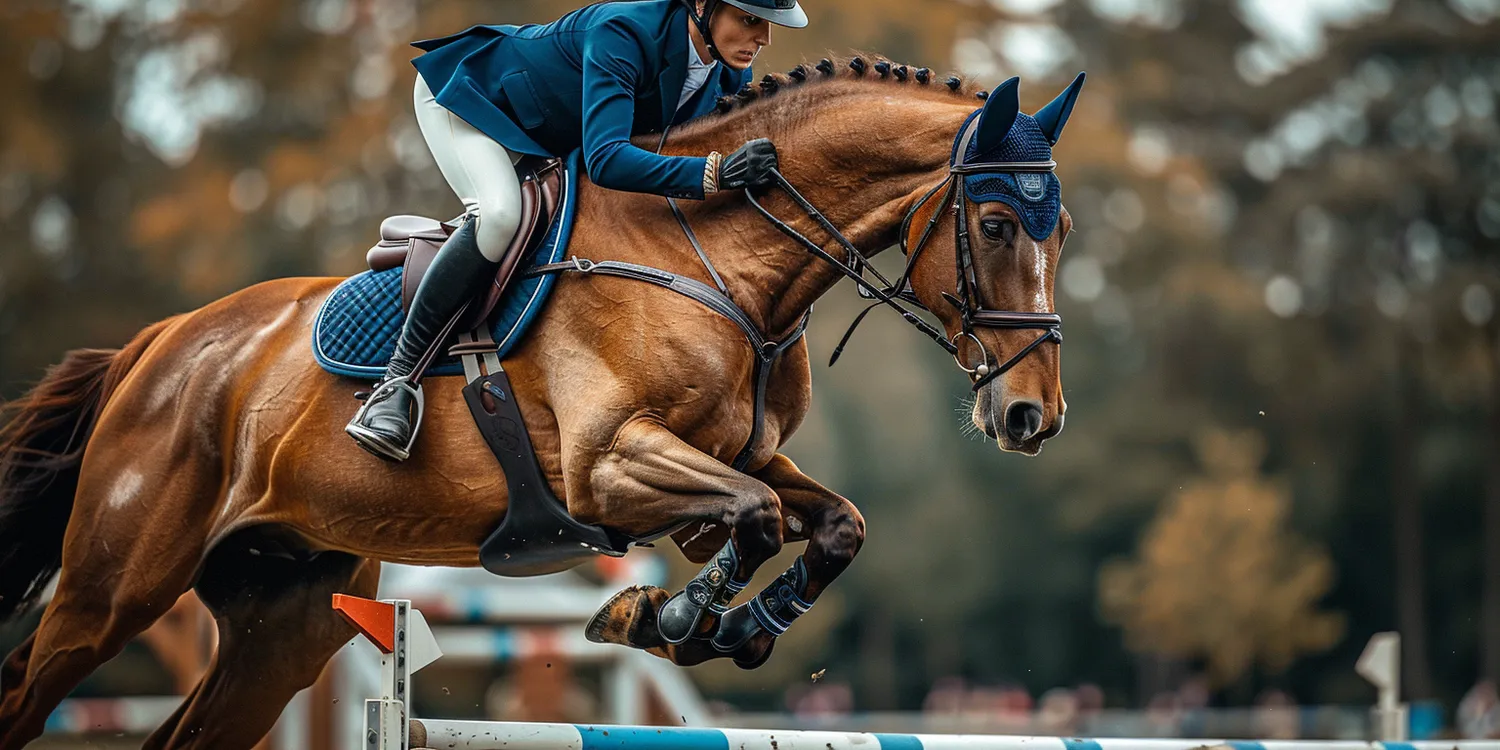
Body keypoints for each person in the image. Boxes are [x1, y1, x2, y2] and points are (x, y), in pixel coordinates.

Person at [346, 0, 806, 461]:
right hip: (471, 97)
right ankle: (397, 380)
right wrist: (715, 173)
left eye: (767, 24)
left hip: (554, 133)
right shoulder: (624, 33)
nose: (764, 38)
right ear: (703, 6)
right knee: (499, 214)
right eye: (750, 20)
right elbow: (607, 159)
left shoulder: (729, 73)